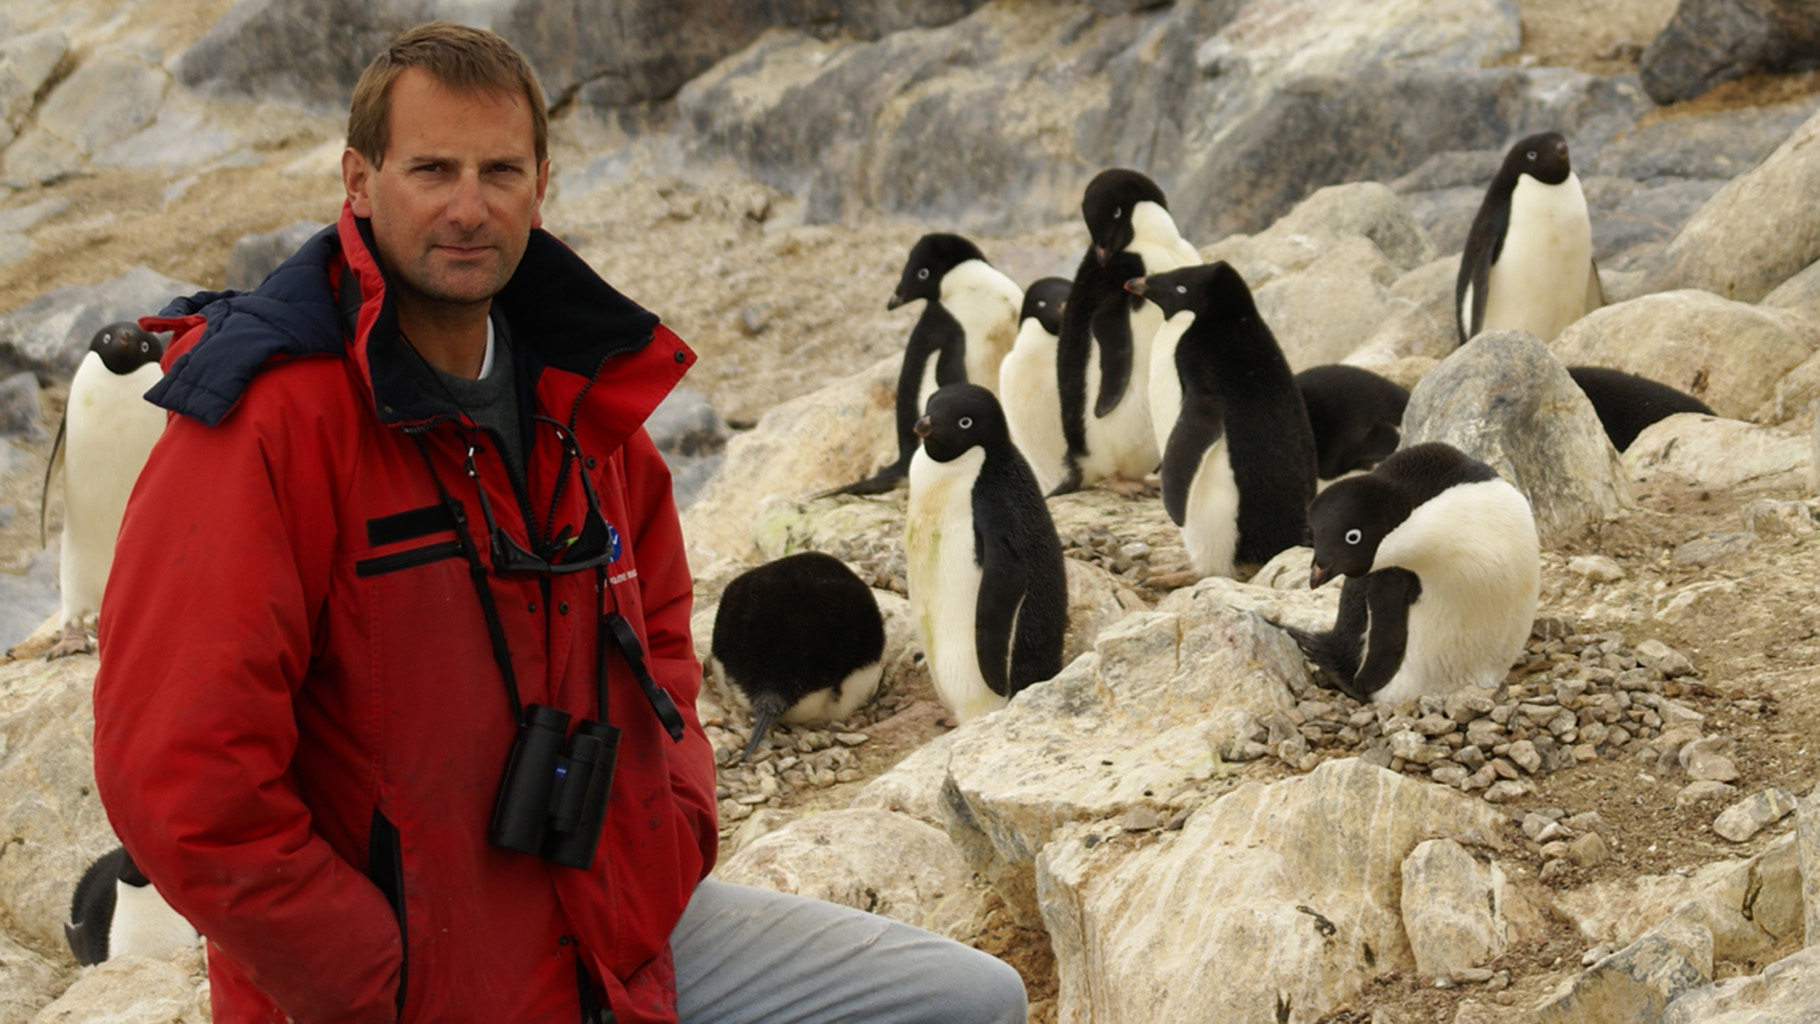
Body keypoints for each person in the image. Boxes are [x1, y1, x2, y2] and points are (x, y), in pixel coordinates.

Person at [91, 22, 1026, 1024]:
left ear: (543, 182)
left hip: (607, 927)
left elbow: (660, 628)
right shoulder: (274, 424)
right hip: (403, 982)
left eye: (499, 170)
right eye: (431, 169)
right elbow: (177, 775)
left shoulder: (575, 397)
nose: (467, 206)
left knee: (963, 1000)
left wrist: (669, 821)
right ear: (358, 182)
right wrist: (365, 969)